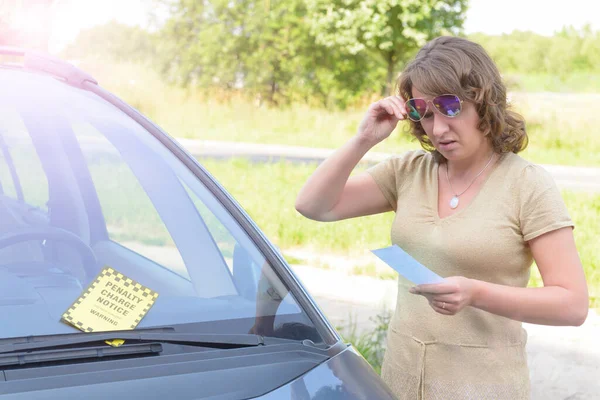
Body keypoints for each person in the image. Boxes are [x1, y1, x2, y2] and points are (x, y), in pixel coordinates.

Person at [294, 36, 589, 399]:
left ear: (484, 101)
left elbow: (572, 305)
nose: (438, 129)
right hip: (403, 381)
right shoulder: (408, 172)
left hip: (482, 388)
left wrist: (476, 293)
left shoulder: (528, 185)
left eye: (450, 107)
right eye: (425, 112)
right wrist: (363, 140)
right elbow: (314, 206)